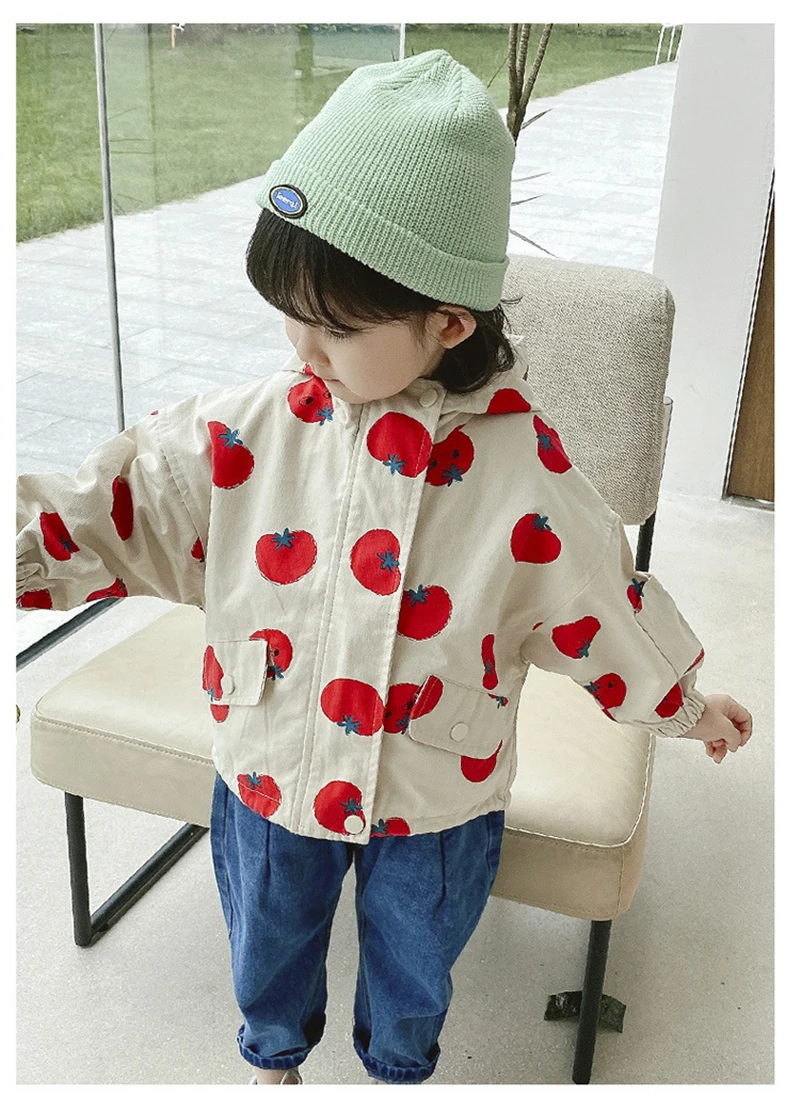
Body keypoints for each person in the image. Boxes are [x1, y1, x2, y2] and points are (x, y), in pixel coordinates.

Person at [16, 49, 753, 1086]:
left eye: (333, 325)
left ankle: (398, 1071)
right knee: (266, 932)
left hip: (438, 787)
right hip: (272, 758)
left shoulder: (524, 471)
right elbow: (125, 496)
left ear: (446, 322)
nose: (302, 348)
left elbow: (599, 599)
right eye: (291, 312)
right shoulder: (250, 429)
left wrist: (682, 700)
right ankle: (273, 1057)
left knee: (415, 961)